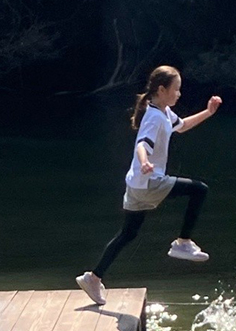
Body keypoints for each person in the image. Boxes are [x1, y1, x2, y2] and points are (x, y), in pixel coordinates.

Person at [76, 65, 222, 306]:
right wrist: (145, 162)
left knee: (128, 233)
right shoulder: (154, 117)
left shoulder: (162, 112)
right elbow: (142, 144)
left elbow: (182, 126)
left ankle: (93, 277)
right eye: (176, 89)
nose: (179, 94)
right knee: (199, 189)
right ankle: (183, 243)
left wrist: (208, 112)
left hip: (136, 184)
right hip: (149, 181)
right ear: (162, 89)